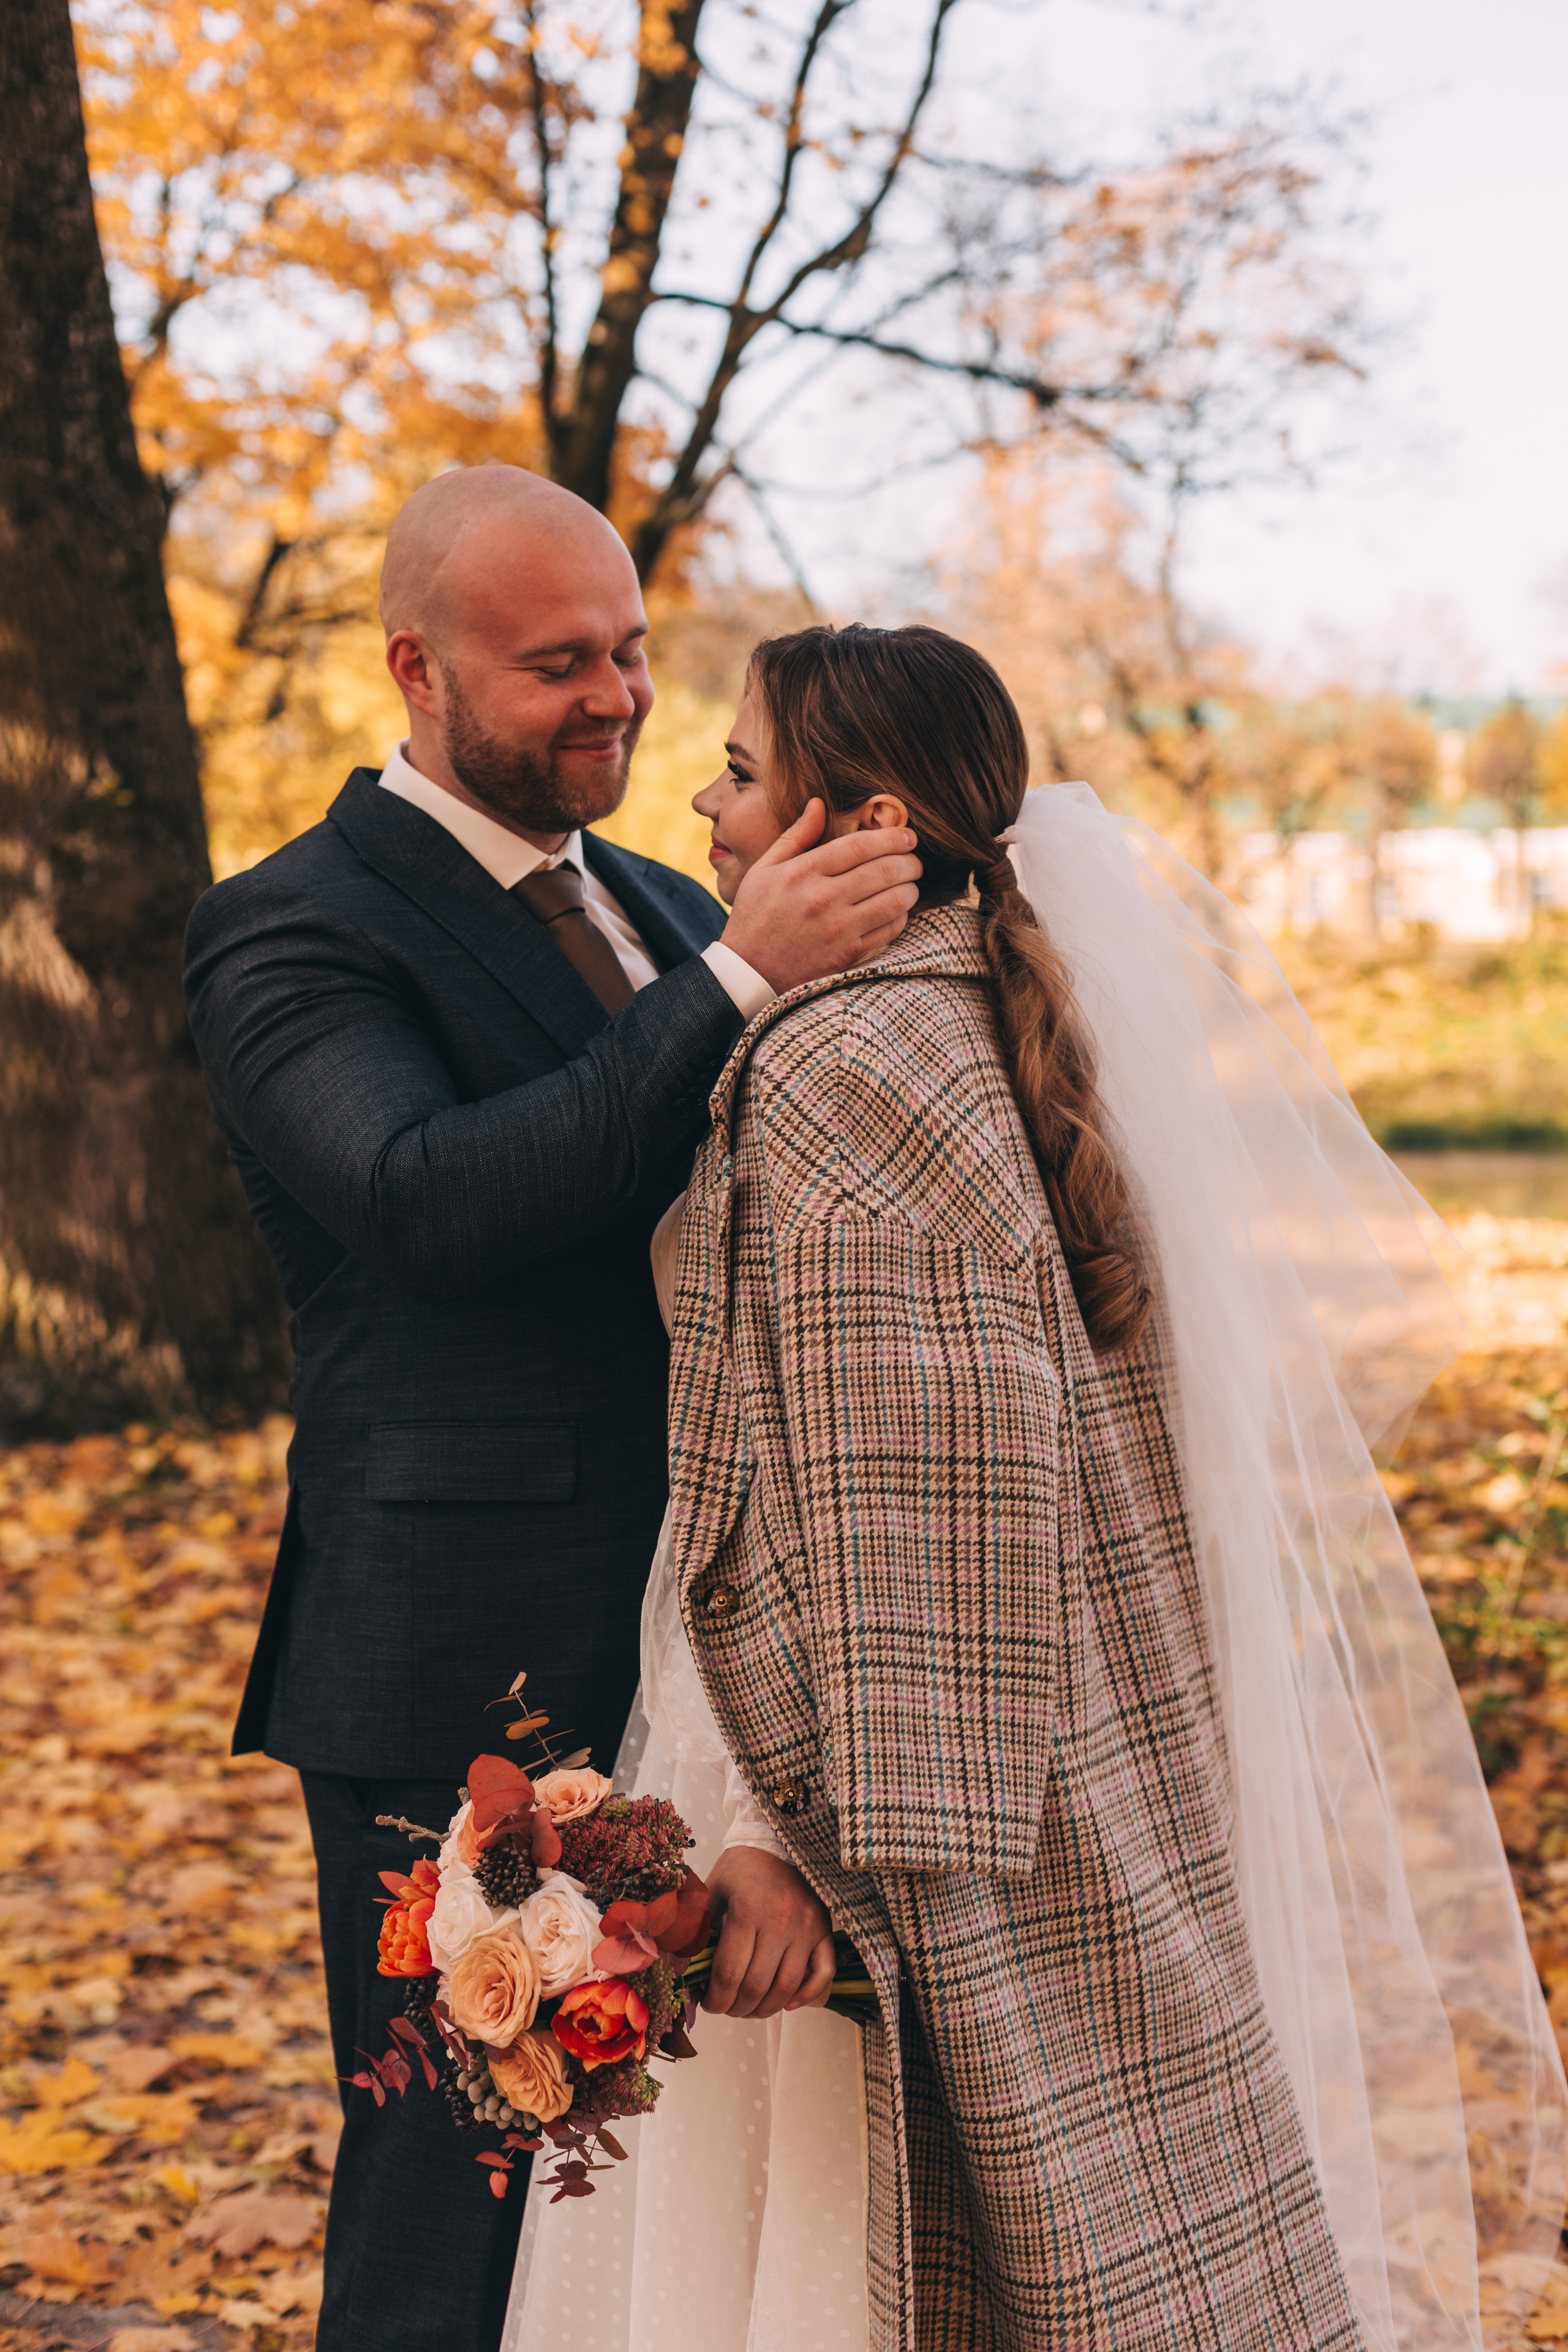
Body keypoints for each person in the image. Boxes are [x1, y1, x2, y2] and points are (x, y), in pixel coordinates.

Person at [507, 622, 1565, 2352]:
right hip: (1076, 1738)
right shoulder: (998, 1011)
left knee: (854, 2268)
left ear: (851, 821)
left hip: (868, 1773)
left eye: (741, 769)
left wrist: (788, 1853)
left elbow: (895, 1525)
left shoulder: (841, 1067)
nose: (703, 799)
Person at [180, 470, 923, 2352]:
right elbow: (431, 1199)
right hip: (458, 1662)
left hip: (704, 1646)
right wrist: (749, 972)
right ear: (418, 671)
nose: (617, 699)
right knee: (466, 2185)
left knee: (651, 2211)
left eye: (634, 653)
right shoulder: (290, 928)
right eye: (558, 665)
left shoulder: (670, 899)